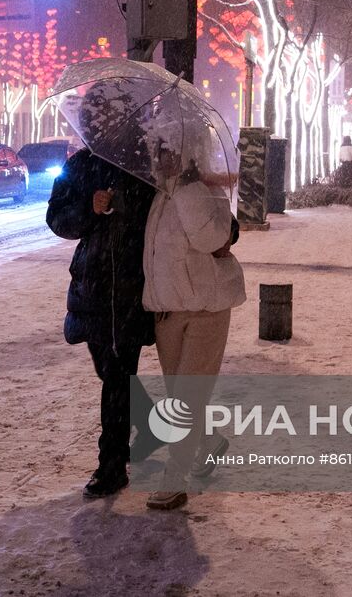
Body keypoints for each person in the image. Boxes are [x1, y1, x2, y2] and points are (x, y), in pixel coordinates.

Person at [46, 146, 158, 499]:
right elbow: (57, 218)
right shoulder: (80, 164)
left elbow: (165, 214)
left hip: (130, 285)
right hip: (92, 285)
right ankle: (158, 426)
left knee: (117, 376)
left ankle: (111, 465)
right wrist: (88, 209)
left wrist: (123, 203)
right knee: (110, 370)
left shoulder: (145, 163)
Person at [141, 146, 245, 511]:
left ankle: (175, 478)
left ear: (185, 156)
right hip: (168, 309)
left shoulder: (197, 192)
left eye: (169, 152)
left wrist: (186, 188)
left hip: (206, 306)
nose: (161, 158)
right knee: (180, 396)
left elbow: (211, 241)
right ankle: (209, 443)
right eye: (158, 151)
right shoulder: (158, 195)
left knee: (186, 399)